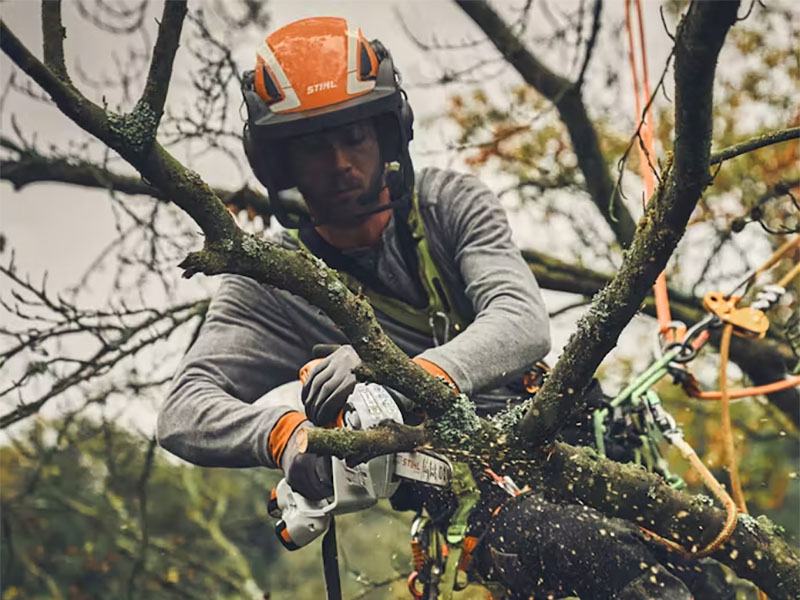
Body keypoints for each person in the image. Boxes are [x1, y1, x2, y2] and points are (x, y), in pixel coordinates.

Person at [157, 17, 726, 599]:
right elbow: (183, 412)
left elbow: (520, 319)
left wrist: (398, 377)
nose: (340, 162)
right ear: (279, 163)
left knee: (704, 581)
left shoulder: (448, 205)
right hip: (471, 494)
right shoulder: (269, 284)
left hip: (569, 432)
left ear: (388, 134)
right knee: (591, 557)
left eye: (354, 137)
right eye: (312, 147)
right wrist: (282, 435)